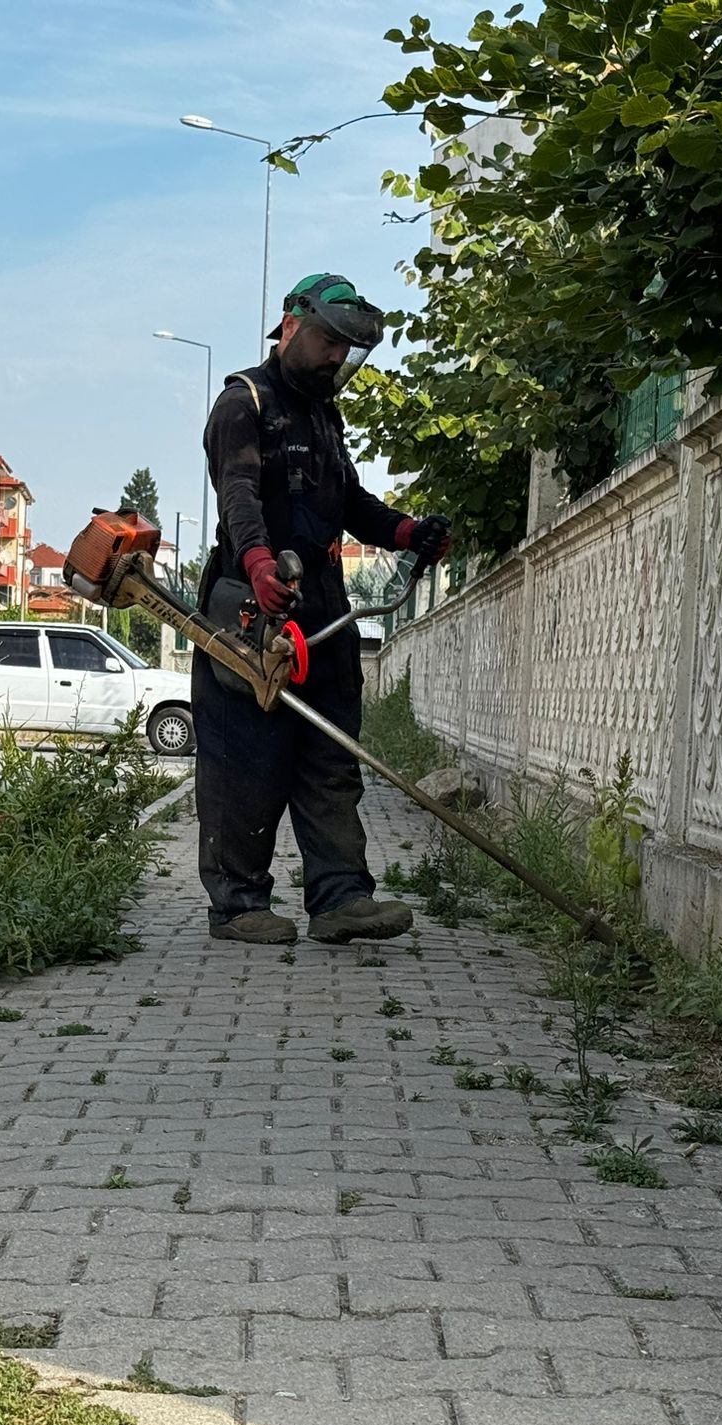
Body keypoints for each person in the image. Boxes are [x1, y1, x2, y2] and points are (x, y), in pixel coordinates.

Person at [194, 273, 451, 945]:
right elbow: (239, 493)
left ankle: (340, 898)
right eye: (331, 343)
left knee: (331, 754)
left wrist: (405, 531)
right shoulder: (242, 403)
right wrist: (256, 564)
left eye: (350, 349)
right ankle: (238, 903)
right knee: (248, 760)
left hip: (324, 613)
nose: (340, 359)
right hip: (254, 608)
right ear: (292, 326)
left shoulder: (323, 413)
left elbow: (349, 501)